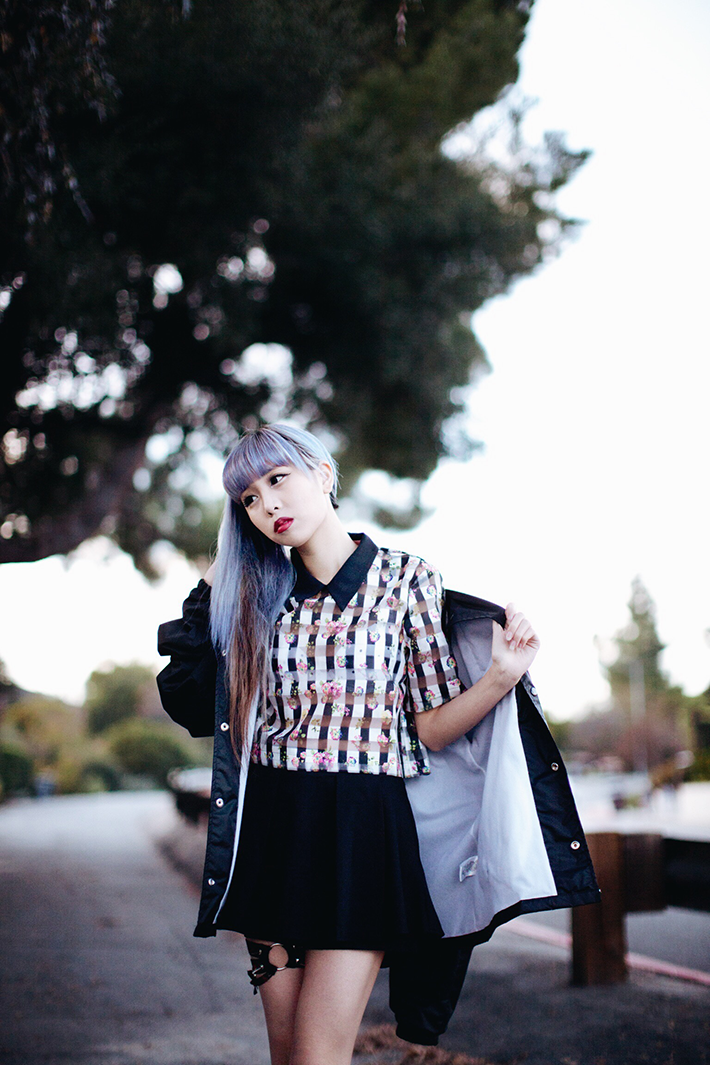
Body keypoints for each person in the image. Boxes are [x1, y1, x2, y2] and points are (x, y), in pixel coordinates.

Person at [157, 423, 543, 1065]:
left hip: (362, 835)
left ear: (323, 474)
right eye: (249, 498)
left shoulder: (406, 579)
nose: (267, 505)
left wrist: (501, 677)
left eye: (278, 479)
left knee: (318, 1056)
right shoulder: (258, 597)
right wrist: (219, 574)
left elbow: (429, 726)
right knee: (288, 1057)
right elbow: (187, 701)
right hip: (274, 833)